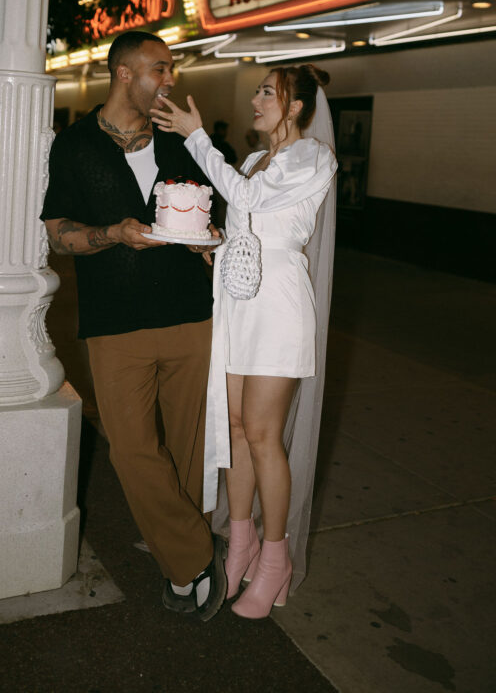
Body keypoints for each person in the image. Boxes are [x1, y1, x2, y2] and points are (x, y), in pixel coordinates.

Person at [41, 31, 227, 620]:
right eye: (160, 69)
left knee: (188, 449)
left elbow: (210, 219)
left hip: (191, 319)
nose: (169, 79)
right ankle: (196, 555)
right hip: (114, 324)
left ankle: (180, 567)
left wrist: (211, 246)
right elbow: (58, 234)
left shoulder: (183, 145)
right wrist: (113, 234)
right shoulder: (73, 146)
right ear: (124, 74)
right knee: (131, 449)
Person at [151, 64, 337, 619]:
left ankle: (274, 556)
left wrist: (197, 137)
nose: (256, 100)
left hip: (278, 303)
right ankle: (241, 542)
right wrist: (214, 242)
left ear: (297, 106)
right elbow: (244, 220)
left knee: (261, 433)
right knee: (233, 429)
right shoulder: (256, 159)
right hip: (237, 297)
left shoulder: (312, 157)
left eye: (267, 93)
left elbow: (249, 197)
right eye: (256, 90)